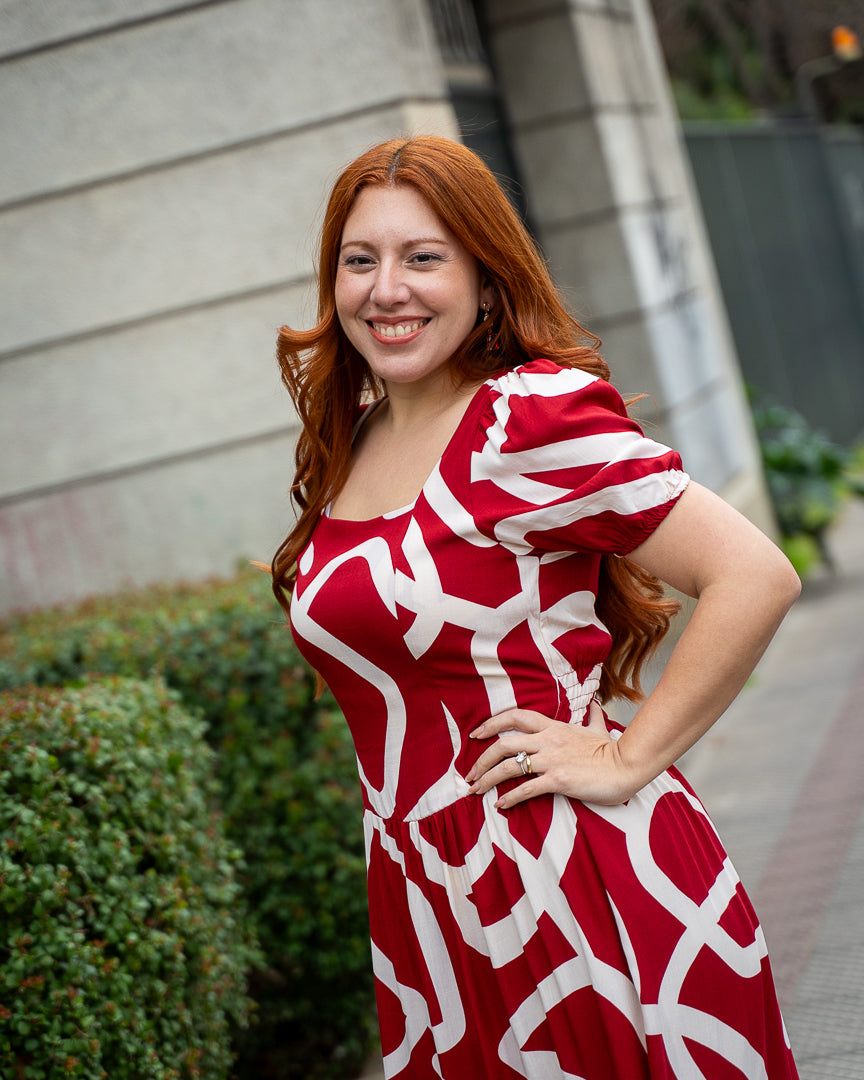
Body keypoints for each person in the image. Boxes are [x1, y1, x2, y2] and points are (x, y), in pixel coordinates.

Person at [272, 135, 801, 1079]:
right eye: (361, 260)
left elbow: (755, 574)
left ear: (485, 277)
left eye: (423, 257)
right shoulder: (352, 442)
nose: (385, 288)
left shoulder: (523, 418)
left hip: (573, 885)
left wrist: (629, 756)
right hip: (431, 909)